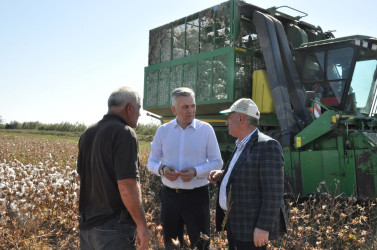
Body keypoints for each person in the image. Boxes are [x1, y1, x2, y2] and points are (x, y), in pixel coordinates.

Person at [147, 87, 223, 249]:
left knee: (201, 245)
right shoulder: (163, 131)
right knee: (172, 245)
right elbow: (151, 162)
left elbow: (217, 163)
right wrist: (162, 170)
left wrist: (196, 172)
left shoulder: (206, 130)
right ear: (174, 110)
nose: (191, 111)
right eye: (185, 107)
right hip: (169, 197)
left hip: (197, 197)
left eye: (193, 106)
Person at [77, 86, 150, 250]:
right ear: (130, 108)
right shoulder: (125, 133)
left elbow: (82, 178)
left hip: (87, 226)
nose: (139, 114)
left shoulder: (88, 132)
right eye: (139, 108)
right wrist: (142, 226)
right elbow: (127, 185)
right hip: (113, 229)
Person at [208, 98, 286, 250]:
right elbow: (247, 173)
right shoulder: (242, 144)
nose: (226, 123)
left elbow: (273, 192)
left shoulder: (267, 146)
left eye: (229, 118)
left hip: (252, 230)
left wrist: (263, 227)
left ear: (241, 118)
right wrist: (223, 174)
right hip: (236, 225)